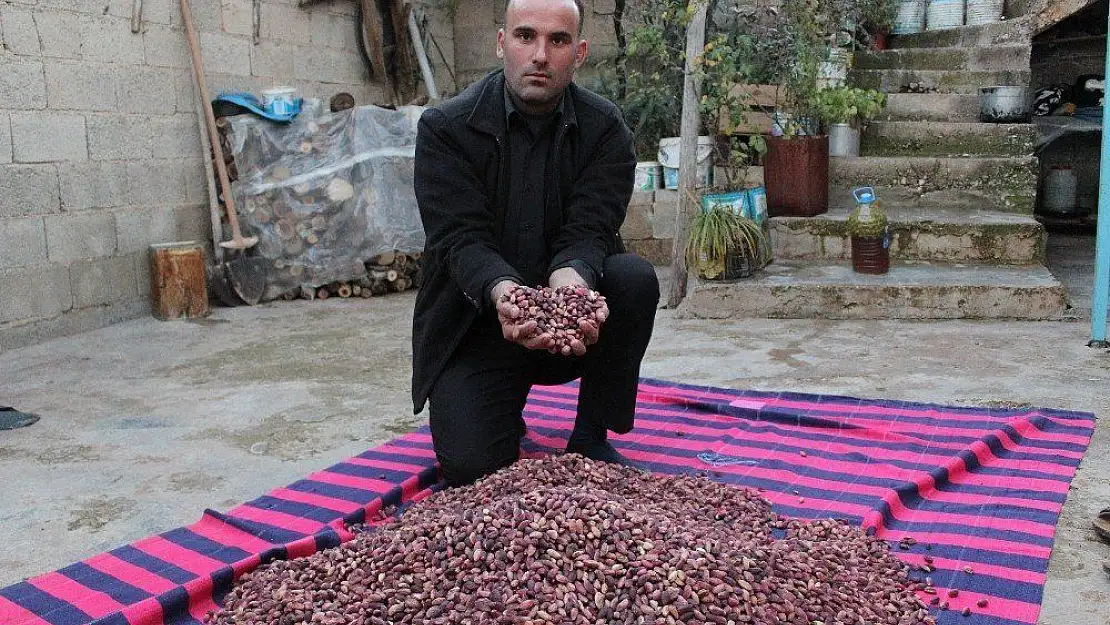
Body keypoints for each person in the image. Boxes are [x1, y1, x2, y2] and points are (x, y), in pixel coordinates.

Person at [411, 0, 660, 486]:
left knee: (633, 278)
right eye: (525, 37)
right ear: (502, 43)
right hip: (478, 323)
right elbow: (459, 240)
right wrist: (506, 295)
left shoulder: (605, 130)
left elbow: (591, 229)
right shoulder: (446, 130)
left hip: (573, 331)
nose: (540, 54)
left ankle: (590, 435)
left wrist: (570, 284)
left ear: (580, 52)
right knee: (471, 466)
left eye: (558, 40)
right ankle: (498, 405)